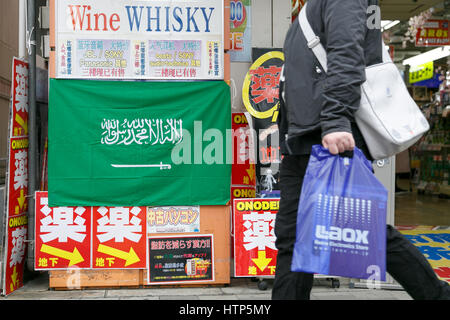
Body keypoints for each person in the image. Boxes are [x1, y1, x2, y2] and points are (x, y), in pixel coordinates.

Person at [272, 0, 450, 300]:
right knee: (295, 239)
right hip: (305, 137)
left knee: (365, 231)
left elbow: (347, 54)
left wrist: (335, 120)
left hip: (325, 134)